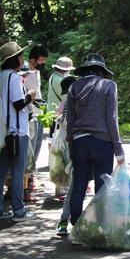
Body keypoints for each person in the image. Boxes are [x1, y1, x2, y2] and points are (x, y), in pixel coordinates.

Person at [66, 53, 125, 225]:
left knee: (79, 185)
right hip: (102, 143)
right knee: (102, 188)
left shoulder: (74, 87)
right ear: (102, 70)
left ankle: (76, 225)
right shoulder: (109, 86)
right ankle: (100, 226)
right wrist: (118, 150)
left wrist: (71, 148)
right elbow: (111, 119)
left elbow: (70, 120)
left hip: (79, 142)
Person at [0, 41, 37, 222]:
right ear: (14, 59)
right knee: (18, 171)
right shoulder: (15, 78)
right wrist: (30, 96)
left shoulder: (1, 76)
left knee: (2, 170)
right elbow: (18, 104)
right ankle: (19, 211)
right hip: (17, 131)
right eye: (21, 56)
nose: (22, 58)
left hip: (5, 131)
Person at [24, 44, 49, 200]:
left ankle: (29, 183)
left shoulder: (36, 72)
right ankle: (25, 190)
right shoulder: (25, 72)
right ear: (32, 59)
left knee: (35, 151)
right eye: (41, 61)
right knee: (29, 153)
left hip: (38, 115)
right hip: (29, 117)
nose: (43, 64)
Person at [55, 76, 77, 236]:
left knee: (74, 185)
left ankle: (65, 220)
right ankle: (67, 220)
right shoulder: (76, 98)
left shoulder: (66, 98)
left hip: (66, 143)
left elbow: (60, 118)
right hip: (75, 143)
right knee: (76, 186)